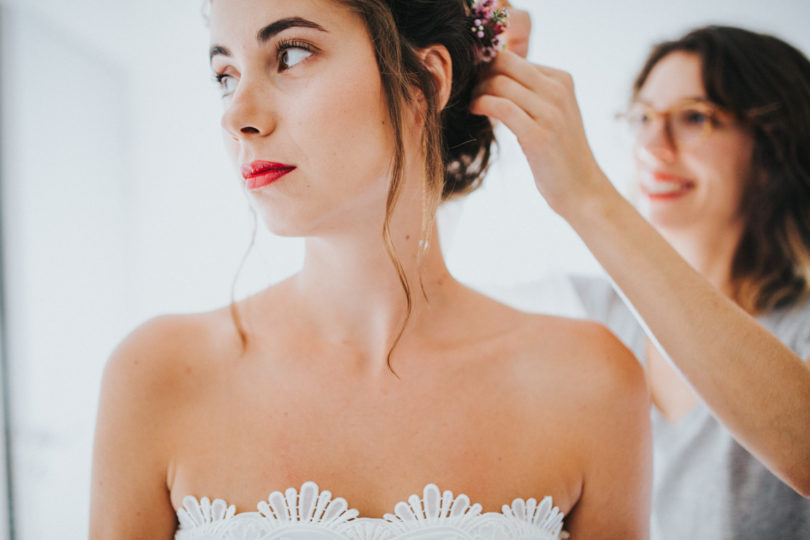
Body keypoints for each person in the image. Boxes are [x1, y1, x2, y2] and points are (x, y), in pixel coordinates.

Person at [89, 1, 652, 538]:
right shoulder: (157, 374)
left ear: (426, 81)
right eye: (225, 76)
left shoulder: (591, 384)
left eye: (290, 54)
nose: (237, 116)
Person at [474, 19, 810, 539]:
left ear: (773, 145)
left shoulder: (800, 330)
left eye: (695, 117)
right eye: (644, 116)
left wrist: (586, 195)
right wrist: (461, 113)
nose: (655, 145)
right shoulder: (585, 313)